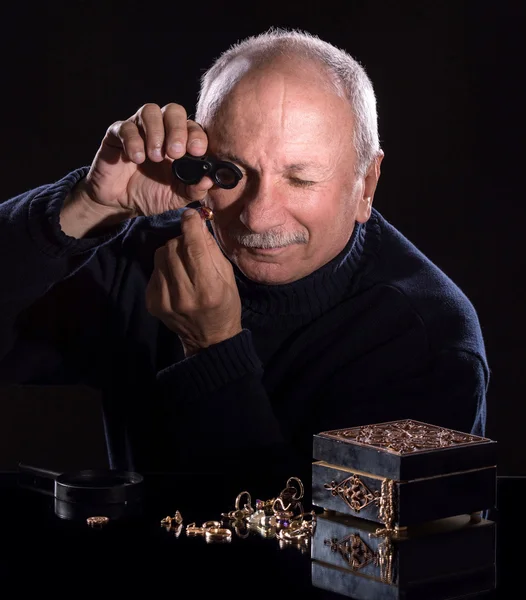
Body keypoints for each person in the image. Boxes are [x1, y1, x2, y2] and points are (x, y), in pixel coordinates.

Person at [0, 28, 488, 480]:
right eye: (233, 173)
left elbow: (333, 560)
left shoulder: (431, 341)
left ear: (366, 184)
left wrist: (213, 351)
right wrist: (87, 206)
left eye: (300, 179)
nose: (258, 217)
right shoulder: (147, 251)